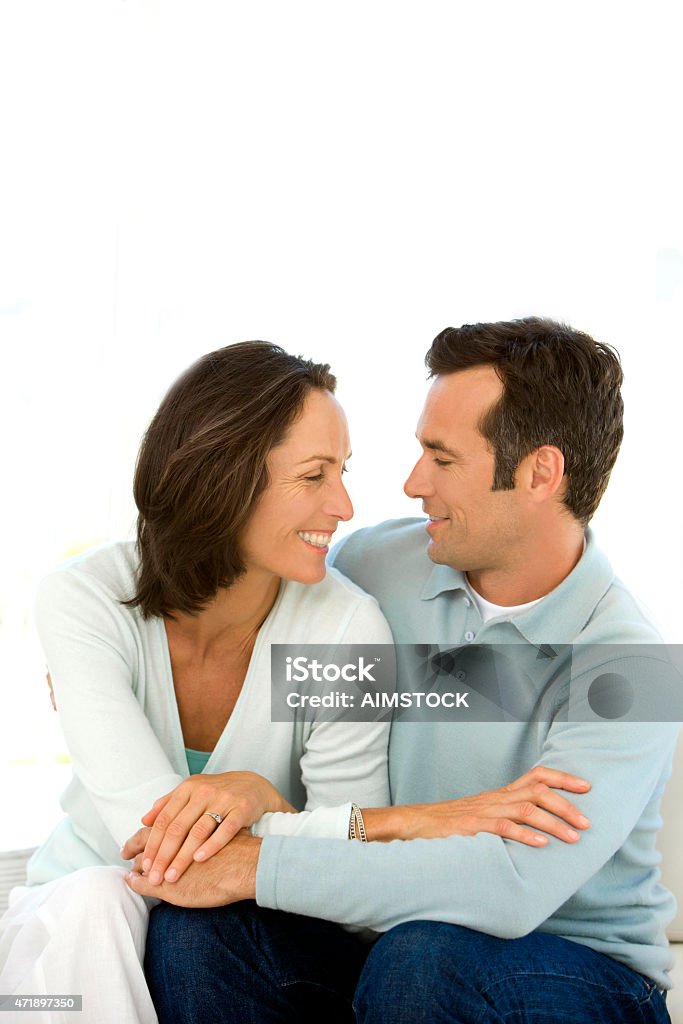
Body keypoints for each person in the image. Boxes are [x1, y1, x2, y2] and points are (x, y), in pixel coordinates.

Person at [0, 340, 584, 1024]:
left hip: (228, 937)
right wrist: (413, 821)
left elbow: (346, 877)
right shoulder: (85, 599)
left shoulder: (344, 624)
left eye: (342, 472)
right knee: (103, 897)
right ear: (224, 479)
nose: (342, 506)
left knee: (192, 935)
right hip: (68, 942)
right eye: (314, 475)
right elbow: (159, 850)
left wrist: (258, 800)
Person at [134, 318, 679, 1024]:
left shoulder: (628, 667)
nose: (411, 483)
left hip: (575, 972)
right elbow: (232, 584)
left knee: (425, 956)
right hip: (385, 949)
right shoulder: (373, 568)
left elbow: (509, 886)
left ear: (539, 472)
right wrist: (136, 648)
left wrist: (253, 864)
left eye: (441, 457)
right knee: (197, 933)